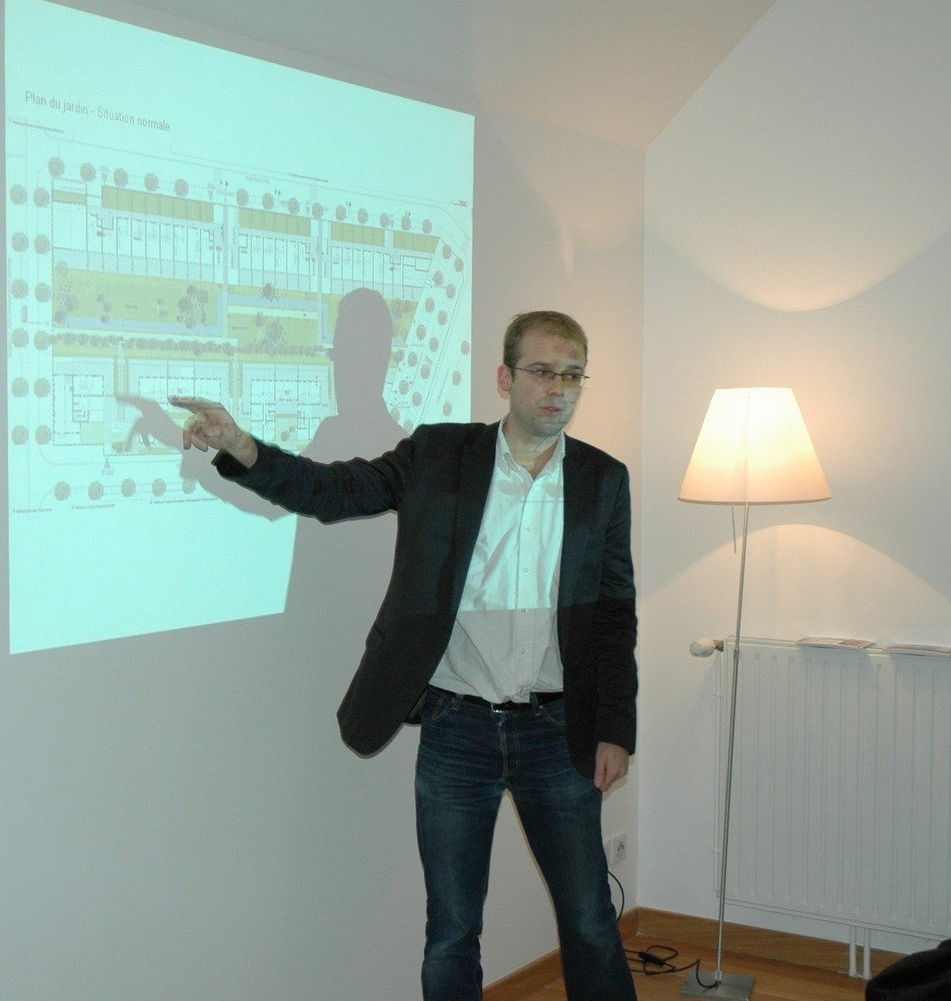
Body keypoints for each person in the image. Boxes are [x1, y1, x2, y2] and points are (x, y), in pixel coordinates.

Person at [173, 310, 638, 1001]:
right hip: (457, 729)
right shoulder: (440, 454)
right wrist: (241, 445)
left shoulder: (603, 477)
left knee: (590, 922)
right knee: (451, 929)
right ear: (505, 377)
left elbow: (613, 613)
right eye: (543, 371)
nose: (558, 389)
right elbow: (334, 490)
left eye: (572, 376)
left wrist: (615, 728)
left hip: (557, 730)